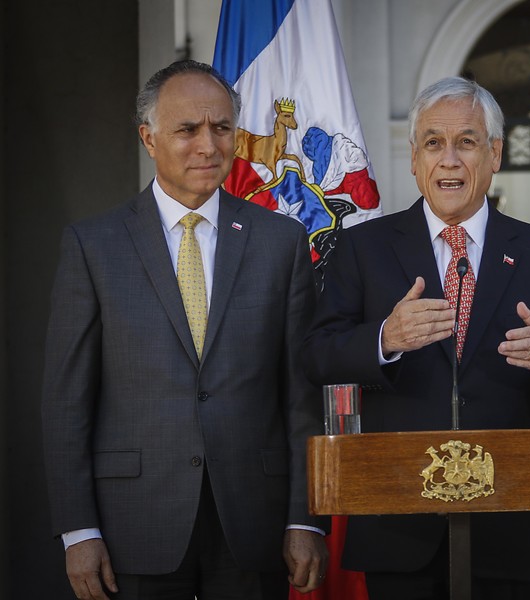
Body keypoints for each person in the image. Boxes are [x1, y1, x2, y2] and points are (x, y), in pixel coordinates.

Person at [304, 76, 530, 599]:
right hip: (399, 526)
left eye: (466, 142)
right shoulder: (362, 249)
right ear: (414, 159)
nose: (449, 159)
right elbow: (317, 355)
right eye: (433, 143)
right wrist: (385, 338)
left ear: (494, 154)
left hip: (509, 527)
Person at [42, 60, 328, 600]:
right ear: (148, 138)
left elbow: (301, 396)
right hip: (131, 525)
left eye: (222, 128)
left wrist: (306, 518)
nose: (209, 145)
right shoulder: (93, 246)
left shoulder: (281, 242)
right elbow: (66, 402)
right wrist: (78, 529)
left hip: (254, 523)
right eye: (187, 129)